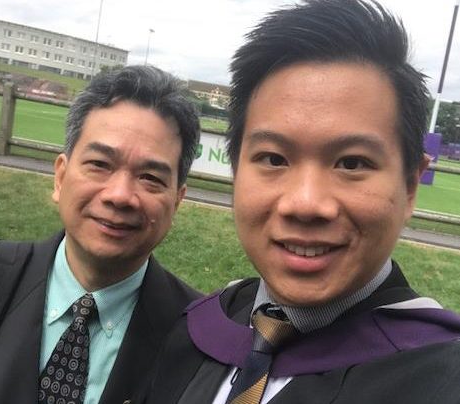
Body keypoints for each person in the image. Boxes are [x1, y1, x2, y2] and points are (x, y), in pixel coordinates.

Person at [142, 1, 460, 403]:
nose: (305, 204)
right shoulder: (201, 327)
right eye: (274, 159)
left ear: (411, 185)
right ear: (237, 170)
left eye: (352, 162)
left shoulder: (441, 378)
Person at [0, 65, 202, 404]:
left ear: (177, 200)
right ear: (60, 177)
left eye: (151, 178)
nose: (120, 195)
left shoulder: (199, 338)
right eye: (100, 164)